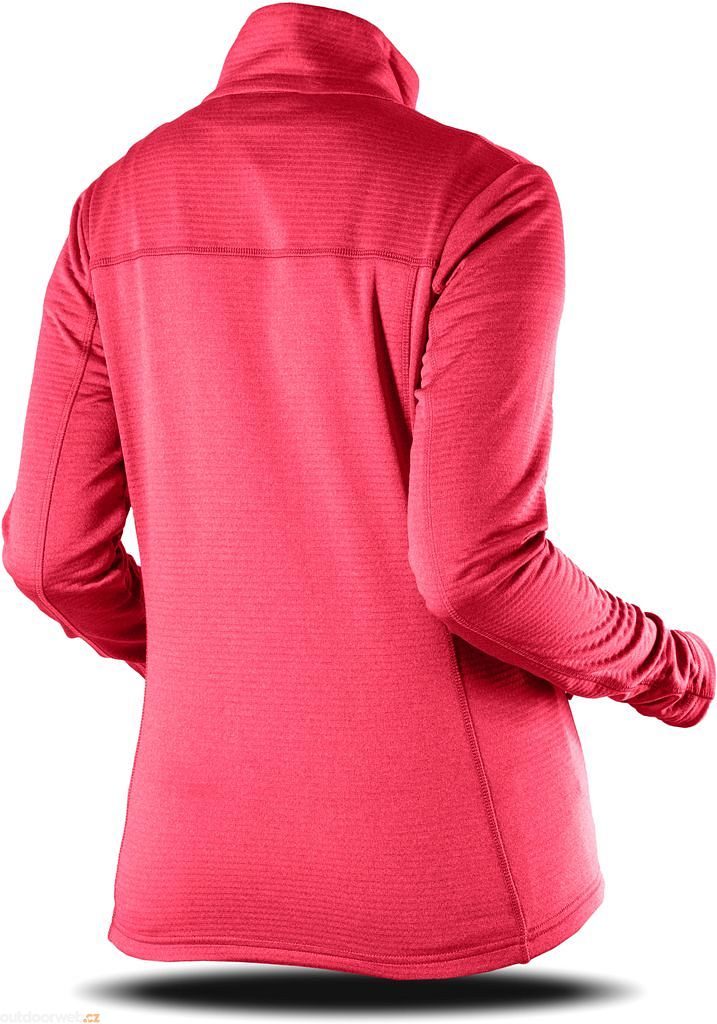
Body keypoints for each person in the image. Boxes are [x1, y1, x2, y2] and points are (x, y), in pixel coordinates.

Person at [2, 2, 714, 981]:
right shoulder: (486, 194)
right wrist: (674, 670)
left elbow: (46, 554)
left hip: (192, 872)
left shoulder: (111, 207)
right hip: (456, 892)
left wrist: (222, 671)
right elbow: (477, 568)